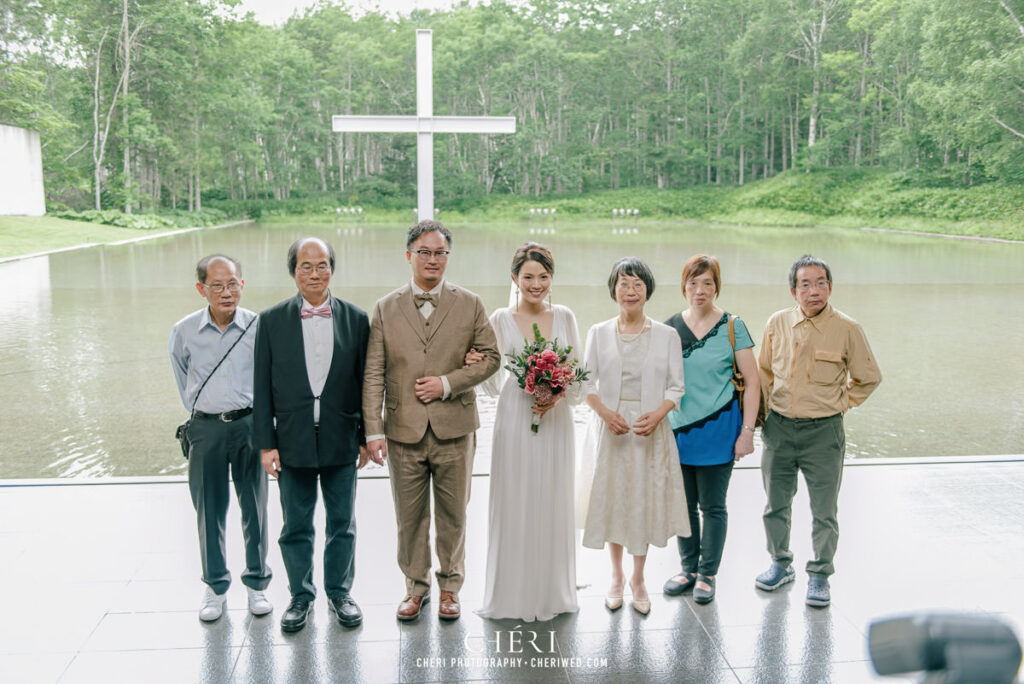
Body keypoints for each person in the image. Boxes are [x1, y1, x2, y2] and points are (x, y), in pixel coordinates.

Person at [362, 220, 500, 622]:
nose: (433, 259)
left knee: (454, 514)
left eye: (440, 252)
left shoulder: (470, 303)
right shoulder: (386, 308)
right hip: (402, 431)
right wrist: (373, 431)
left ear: (448, 257)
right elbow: (373, 373)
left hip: (455, 428)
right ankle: (415, 587)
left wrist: (447, 383)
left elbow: (491, 357)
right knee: (409, 517)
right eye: (424, 251)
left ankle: (451, 587)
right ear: (409, 256)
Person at [253, 237, 370, 632]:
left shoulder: (356, 319)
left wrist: (367, 436)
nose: (315, 273)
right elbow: (261, 386)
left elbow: (365, 383)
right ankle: (300, 597)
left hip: (341, 437)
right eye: (306, 266)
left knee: (343, 523)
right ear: (293, 271)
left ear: (332, 269)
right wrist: (266, 444)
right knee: (296, 525)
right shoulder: (270, 321)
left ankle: (340, 593)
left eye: (322, 265)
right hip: (291, 440)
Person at [755, 254, 881, 607]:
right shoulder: (776, 323)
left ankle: (820, 574)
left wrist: (840, 403)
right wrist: (763, 417)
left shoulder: (847, 328)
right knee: (775, 505)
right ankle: (780, 564)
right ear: (793, 290)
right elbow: (763, 372)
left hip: (824, 434)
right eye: (806, 284)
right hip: (778, 429)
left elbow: (869, 378)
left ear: (830, 287)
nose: (814, 291)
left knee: (824, 510)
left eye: (821, 282)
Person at [472, 242, 582, 621]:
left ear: (552, 278)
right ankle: (513, 590)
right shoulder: (500, 318)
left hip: (556, 420)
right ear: (514, 278)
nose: (536, 284)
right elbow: (488, 384)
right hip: (517, 418)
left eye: (543, 276)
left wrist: (558, 391)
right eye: (528, 276)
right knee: (516, 497)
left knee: (552, 496)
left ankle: (552, 589)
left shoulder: (565, 316)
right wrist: (475, 363)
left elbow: (579, 378)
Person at [578, 257, 690, 615]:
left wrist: (657, 415)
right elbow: (584, 383)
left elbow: (676, 388)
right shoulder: (598, 332)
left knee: (640, 501)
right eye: (624, 284)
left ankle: (638, 579)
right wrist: (605, 413)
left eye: (637, 284)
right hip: (611, 429)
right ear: (613, 289)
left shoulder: (667, 335)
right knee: (613, 500)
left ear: (648, 291)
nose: (630, 291)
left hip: (647, 429)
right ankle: (614, 577)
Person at [169, 254, 272, 622]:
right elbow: (184, 380)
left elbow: (270, 379)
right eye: (217, 286)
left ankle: (257, 584)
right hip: (206, 428)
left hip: (249, 425)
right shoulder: (184, 331)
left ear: (242, 285)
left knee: (255, 508)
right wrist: (208, 413)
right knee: (209, 510)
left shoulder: (260, 326)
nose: (226, 292)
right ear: (202, 289)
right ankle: (215, 587)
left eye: (232, 284)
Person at [662, 254, 759, 605]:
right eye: (693, 282)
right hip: (677, 432)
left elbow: (753, 381)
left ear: (717, 286)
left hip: (720, 430)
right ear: (684, 286)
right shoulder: (670, 326)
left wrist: (747, 432)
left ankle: (707, 573)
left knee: (713, 506)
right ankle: (688, 568)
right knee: (683, 506)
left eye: (707, 283)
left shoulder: (733, 326)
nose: (700, 290)